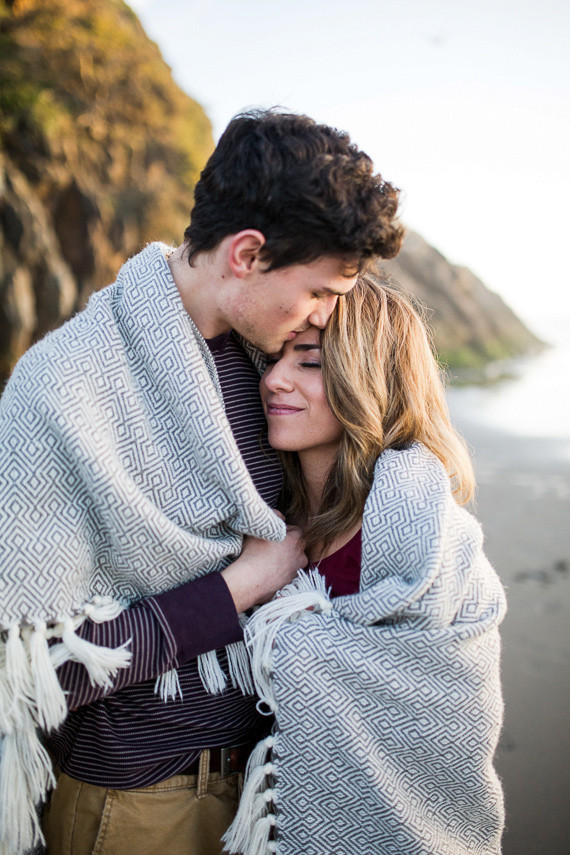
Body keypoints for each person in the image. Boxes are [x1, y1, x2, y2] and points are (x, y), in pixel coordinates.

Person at [0, 109, 403, 855]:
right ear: (247, 254)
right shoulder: (62, 388)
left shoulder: (269, 368)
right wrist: (241, 585)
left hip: (266, 789)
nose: (322, 318)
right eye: (318, 292)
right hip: (135, 803)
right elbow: (35, 668)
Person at [223, 274, 507, 855]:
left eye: (309, 363)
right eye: (273, 359)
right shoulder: (263, 524)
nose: (273, 379)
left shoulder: (426, 546)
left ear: (367, 377)